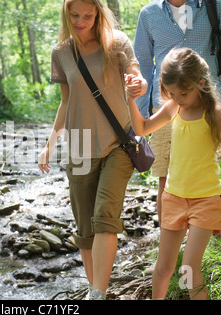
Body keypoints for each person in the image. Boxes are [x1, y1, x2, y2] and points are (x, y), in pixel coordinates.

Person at [125, 48, 221, 300]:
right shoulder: (173, 107)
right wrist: (130, 99)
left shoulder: (214, 114)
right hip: (173, 197)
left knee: (189, 268)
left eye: (183, 93)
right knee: (163, 268)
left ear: (200, 82)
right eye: (172, 93)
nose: (178, 97)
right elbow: (141, 129)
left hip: (206, 200)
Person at [37, 0, 146, 299]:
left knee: (104, 218)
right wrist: (49, 145)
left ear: (98, 13)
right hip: (80, 147)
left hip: (118, 143)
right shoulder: (61, 52)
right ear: (66, 14)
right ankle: (94, 290)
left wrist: (138, 84)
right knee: (85, 231)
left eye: (87, 15)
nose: (80, 21)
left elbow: (137, 77)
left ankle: (97, 293)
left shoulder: (118, 43)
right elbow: (65, 101)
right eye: (74, 16)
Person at [133, 0, 221, 222]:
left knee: (207, 168)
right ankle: (171, 242)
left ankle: (212, 229)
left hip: (207, 103)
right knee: (166, 178)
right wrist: (142, 111)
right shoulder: (149, 14)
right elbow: (144, 64)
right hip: (166, 105)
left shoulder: (213, 6)